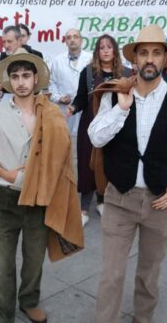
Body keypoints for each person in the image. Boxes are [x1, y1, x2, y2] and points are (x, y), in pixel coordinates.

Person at [89, 25, 167, 323]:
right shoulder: (115, 95)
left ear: (166, 59)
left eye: (156, 53)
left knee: (149, 274)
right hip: (119, 199)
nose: (149, 59)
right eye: (143, 53)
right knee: (111, 275)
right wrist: (121, 110)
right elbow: (96, 138)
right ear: (134, 60)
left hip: (159, 201)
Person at [0, 49, 59, 323]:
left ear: (36, 79)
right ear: (9, 81)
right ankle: (3, 315)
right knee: (3, 264)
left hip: (39, 198)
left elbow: (60, 151)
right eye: (15, 76)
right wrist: (6, 173)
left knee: (34, 259)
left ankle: (29, 300)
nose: (21, 81)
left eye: (26, 75)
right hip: (5, 198)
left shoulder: (49, 112)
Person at [68, 34, 131, 226]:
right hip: (90, 125)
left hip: (117, 127)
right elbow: (80, 98)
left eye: (109, 47)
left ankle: (103, 202)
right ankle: (84, 208)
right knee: (88, 165)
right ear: (97, 51)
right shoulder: (87, 73)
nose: (105, 50)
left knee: (109, 164)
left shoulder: (127, 74)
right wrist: (73, 107)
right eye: (101, 47)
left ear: (115, 50)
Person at [49, 28, 92, 135]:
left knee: (85, 142)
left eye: (75, 37)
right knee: (64, 143)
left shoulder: (91, 59)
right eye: (69, 38)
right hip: (64, 110)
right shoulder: (57, 61)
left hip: (85, 108)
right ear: (65, 42)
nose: (72, 40)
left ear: (81, 40)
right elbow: (52, 83)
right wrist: (59, 98)